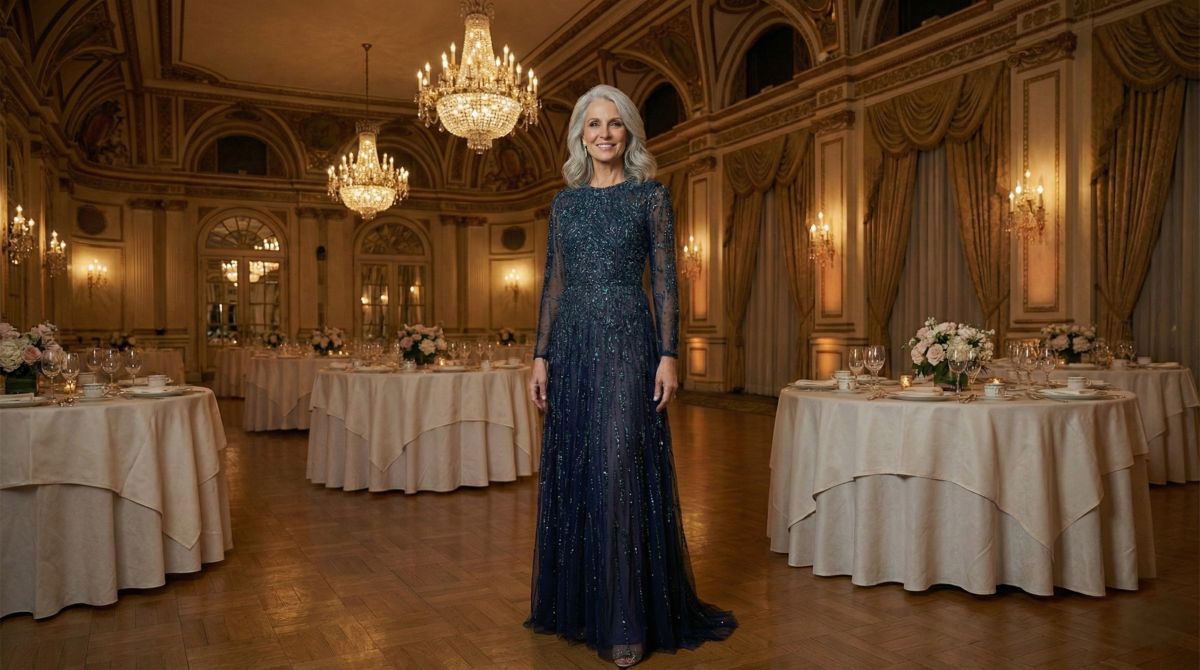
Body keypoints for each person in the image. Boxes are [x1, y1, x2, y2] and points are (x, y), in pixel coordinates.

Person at [524, 84, 737, 667]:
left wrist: (669, 353)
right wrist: (540, 356)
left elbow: (667, 280)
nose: (603, 134)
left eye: (614, 124)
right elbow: (553, 284)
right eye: (593, 124)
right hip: (570, 344)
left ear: (630, 133)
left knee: (620, 467)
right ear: (579, 135)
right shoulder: (564, 204)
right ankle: (580, 608)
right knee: (579, 468)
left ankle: (626, 619)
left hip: (627, 342)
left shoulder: (651, 197)